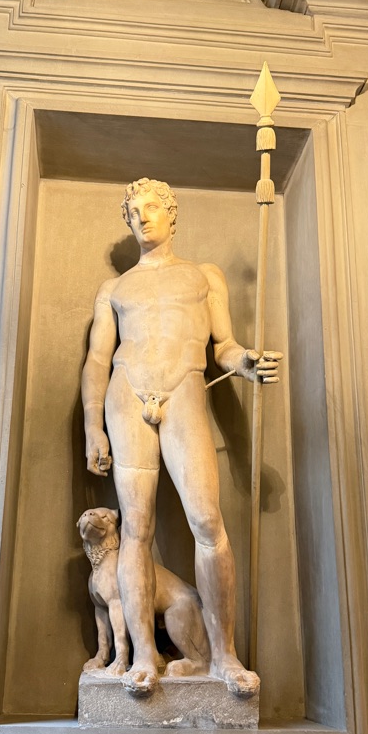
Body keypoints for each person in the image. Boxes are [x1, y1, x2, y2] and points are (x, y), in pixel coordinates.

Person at [81, 178, 282, 696]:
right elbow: (98, 360)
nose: (141, 217)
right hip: (127, 393)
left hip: (184, 388)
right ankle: (143, 656)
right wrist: (92, 425)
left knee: (208, 521)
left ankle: (224, 656)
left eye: (151, 207)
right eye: (133, 212)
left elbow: (224, 345)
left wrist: (245, 363)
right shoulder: (115, 289)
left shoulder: (203, 276)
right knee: (136, 528)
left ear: (172, 213)